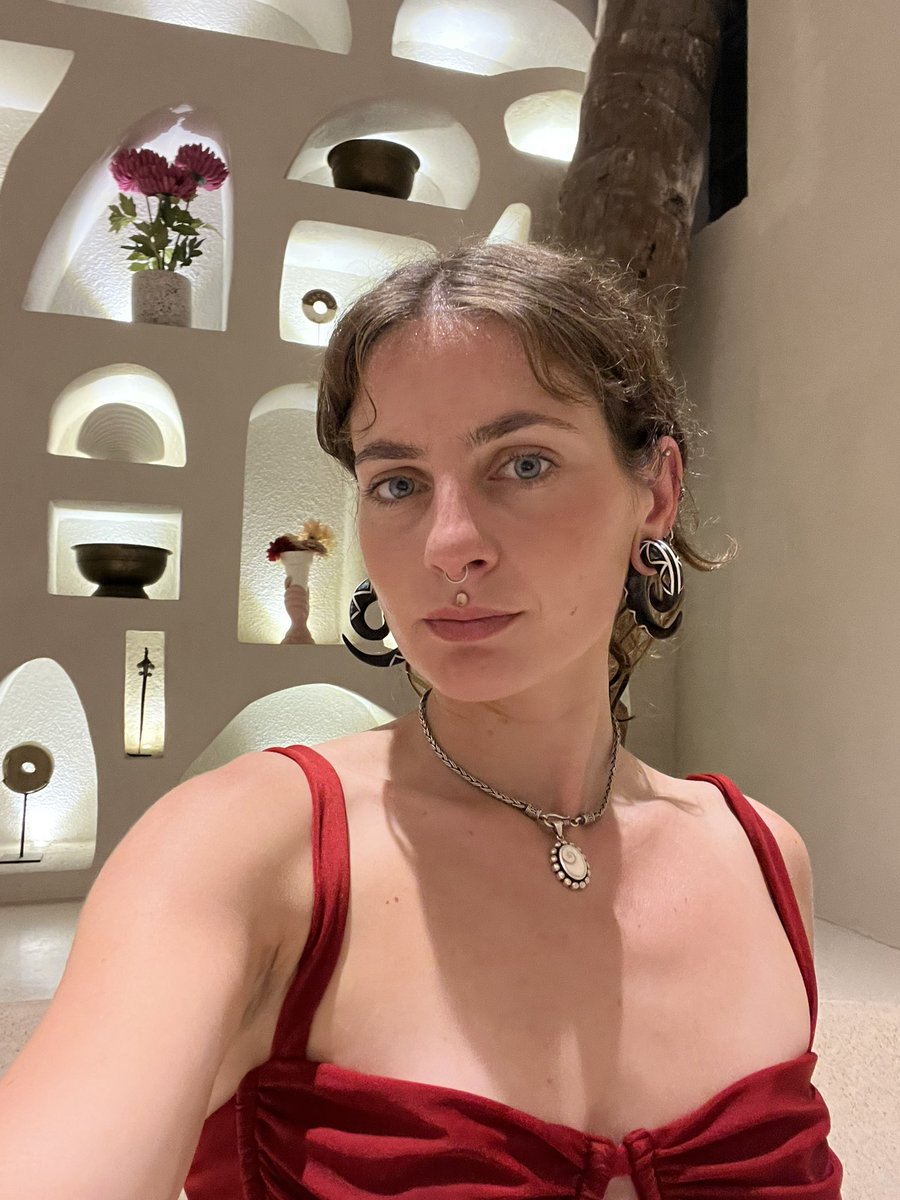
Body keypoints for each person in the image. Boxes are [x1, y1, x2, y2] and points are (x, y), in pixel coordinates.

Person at [0, 240, 842, 1200]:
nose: (450, 546)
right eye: (397, 483)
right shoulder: (242, 849)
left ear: (655, 490)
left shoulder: (764, 859)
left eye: (523, 463)